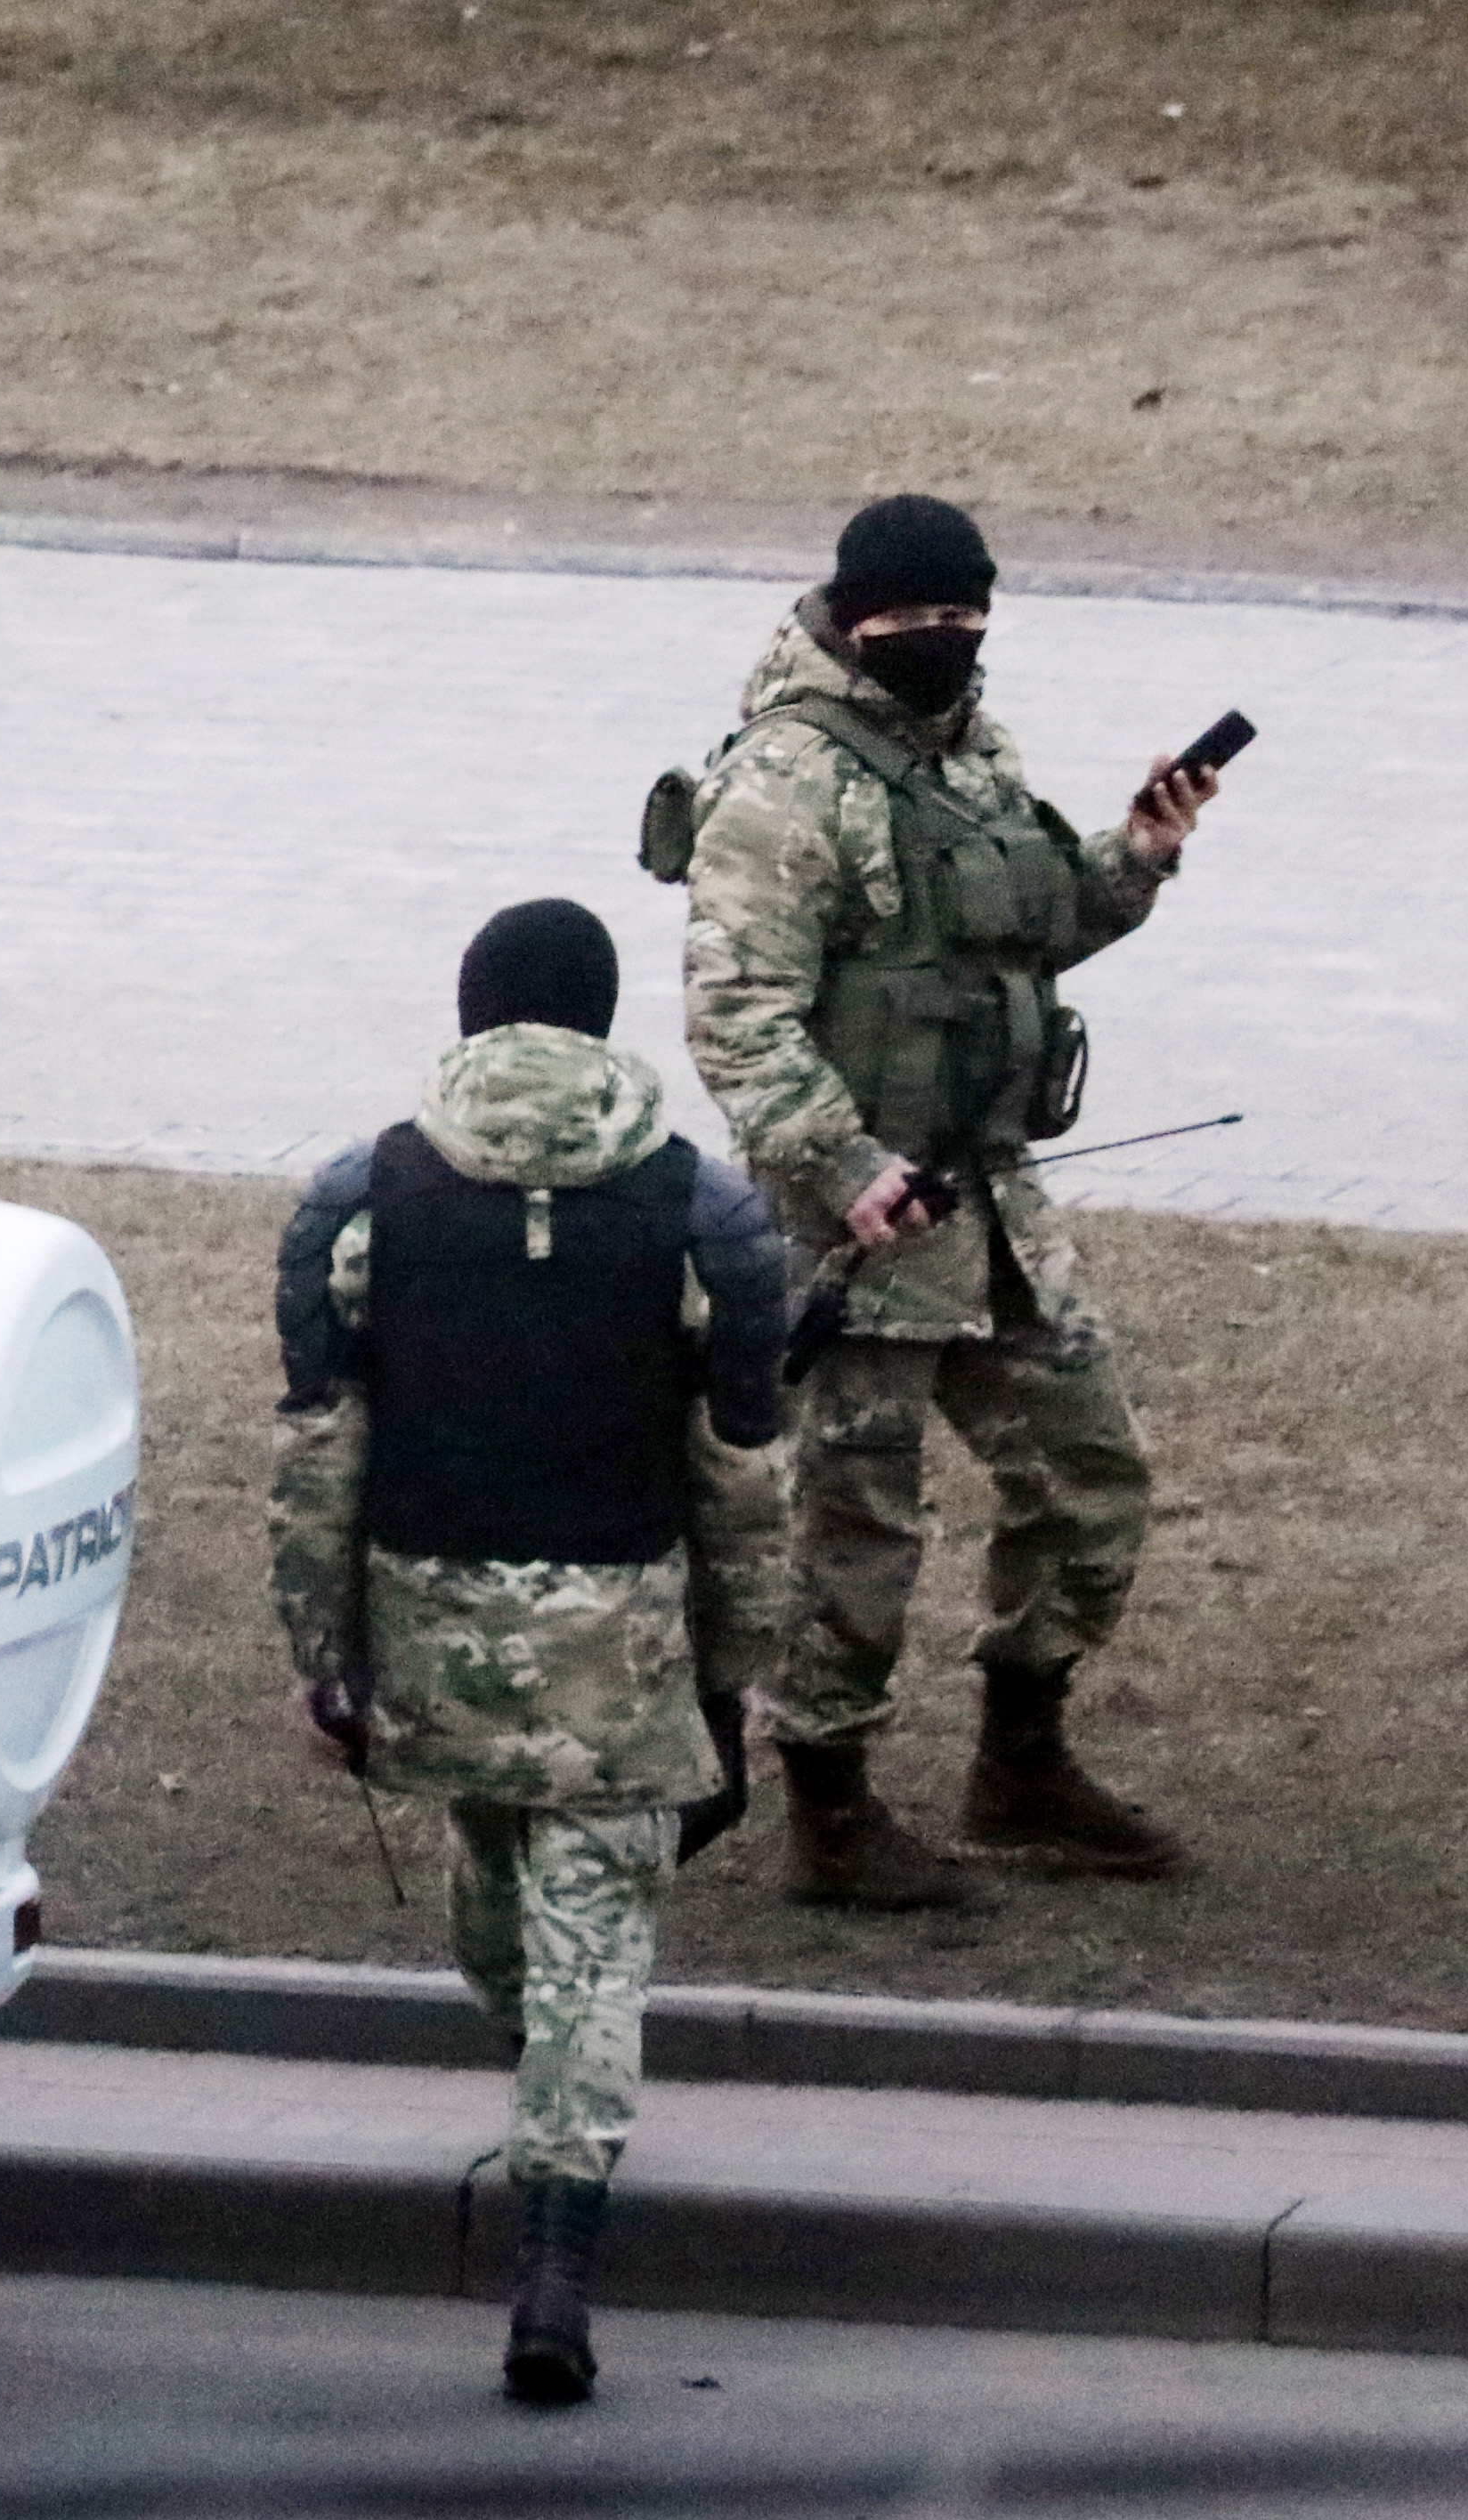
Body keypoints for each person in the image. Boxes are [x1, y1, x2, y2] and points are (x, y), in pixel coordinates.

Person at [271, 899, 791, 2408]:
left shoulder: (360, 1198)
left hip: (433, 1644)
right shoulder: (702, 1212)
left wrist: (325, 1654)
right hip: (615, 1653)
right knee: (584, 1954)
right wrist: (728, 1672)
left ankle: (547, 2217)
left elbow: (319, 1449)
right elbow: (734, 1476)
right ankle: (556, 2231)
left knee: (507, 1924)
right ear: (600, 1021)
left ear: (470, 1014)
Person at [677, 495, 1223, 1910]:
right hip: (853, 1226)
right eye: (914, 620)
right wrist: (843, 1170)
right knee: (852, 1529)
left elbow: (1022, 937)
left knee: (1087, 1473)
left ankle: (1020, 1764)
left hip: (987, 1202)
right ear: (853, 618)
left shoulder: (973, 751)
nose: (941, 641)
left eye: (963, 617)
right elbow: (737, 1019)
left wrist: (1133, 862)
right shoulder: (782, 783)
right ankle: (832, 1814)